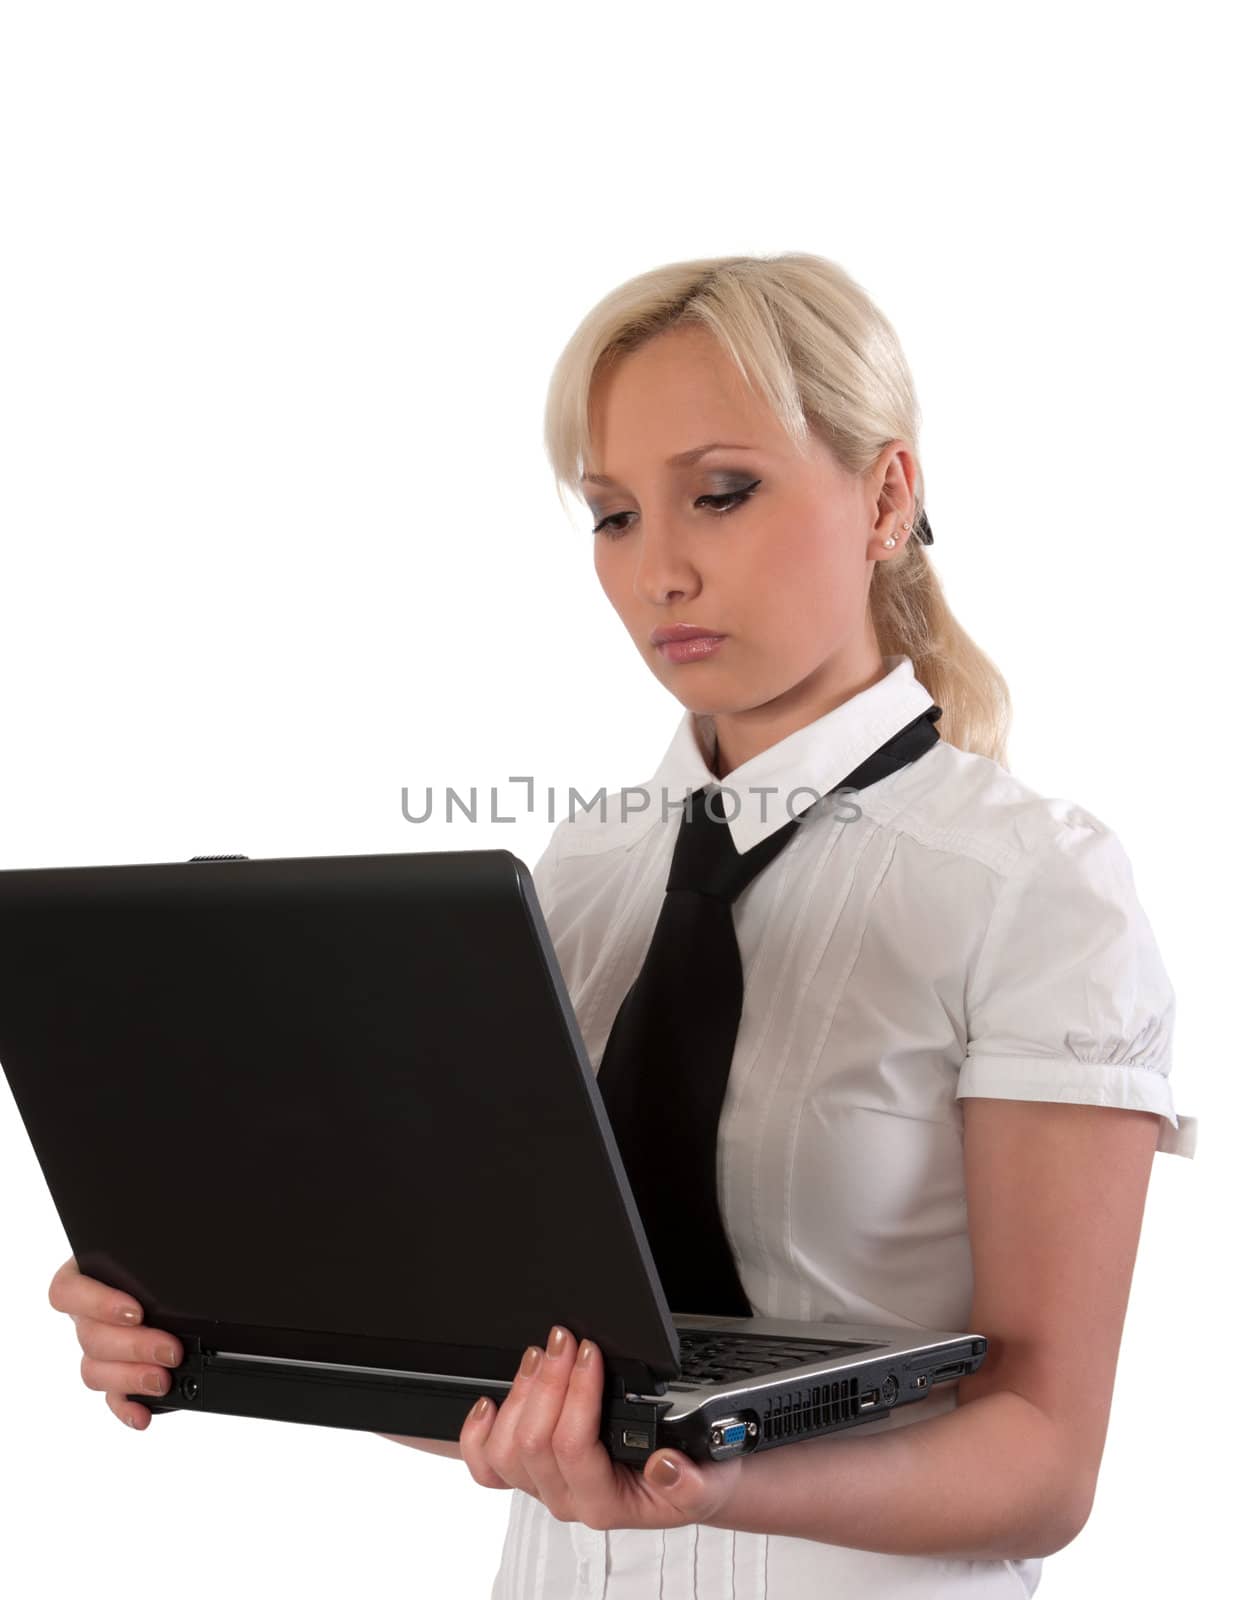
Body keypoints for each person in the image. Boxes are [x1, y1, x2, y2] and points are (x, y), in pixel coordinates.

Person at [49, 252, 1198, 1598]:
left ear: (888, 495)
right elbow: (522, 1387)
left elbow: (1044, 1461)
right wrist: (224, 1331)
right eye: (611, 516)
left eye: (721, 494)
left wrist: (704, 1486)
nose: (661, 570)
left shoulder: (1033, 888)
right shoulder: (581, 874)